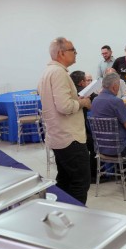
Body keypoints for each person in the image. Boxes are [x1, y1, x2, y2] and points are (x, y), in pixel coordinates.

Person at [38, 37, 92, 204]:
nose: (76, 53)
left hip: (58, 135)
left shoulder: (47, 72)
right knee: (80, 182)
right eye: (73, 50)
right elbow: (64, 107)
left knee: (65, 180)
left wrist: (75, 98)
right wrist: (82, 102)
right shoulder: (59, 73)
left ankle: (62, 214)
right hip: (70, 138)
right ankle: (76, 219)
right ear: (61, 53)